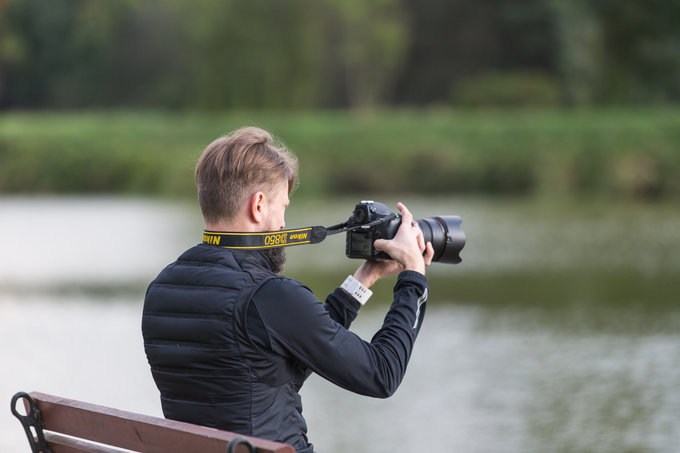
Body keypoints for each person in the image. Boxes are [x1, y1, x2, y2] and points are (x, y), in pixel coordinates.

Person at [142, 126, 434, 453]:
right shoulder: (267, 295)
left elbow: (281, 362)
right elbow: (382, 373)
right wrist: (413, 278)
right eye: (283, 206)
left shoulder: (162, 289)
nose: (283, 223)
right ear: (258, 205)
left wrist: (365, 278)